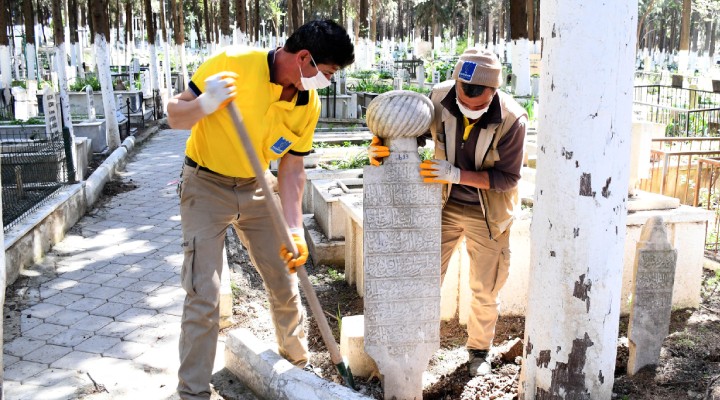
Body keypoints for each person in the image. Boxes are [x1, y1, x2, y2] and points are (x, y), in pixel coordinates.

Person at [166, 20, 354, 400]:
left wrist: (294, 228)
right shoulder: (231, 64)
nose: (327, 82)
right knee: (204, 294)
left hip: (257, 189)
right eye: (327, 72)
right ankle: (193, 393)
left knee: (286, 279)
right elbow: (173, 116)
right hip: (206, 186)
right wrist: (205, 103)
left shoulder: (307, 102)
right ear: (304, 57)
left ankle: (297, 370)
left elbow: (292, 168)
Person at [369, 48, 527, 377]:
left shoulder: (513, 119)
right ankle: (415, 346)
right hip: (443, 206)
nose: (469, 107)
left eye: (478, 104)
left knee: (485, 287)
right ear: (456, 84)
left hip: (489, 215)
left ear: (493, 91)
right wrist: (381, 144)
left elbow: (508, 178)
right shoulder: (439, 99)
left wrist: (457, 174)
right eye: (463, 98)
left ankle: (479, 350)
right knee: (424, 277)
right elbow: (411, 132)